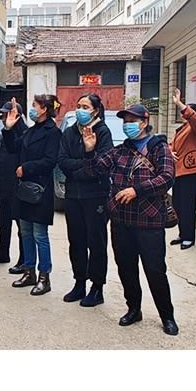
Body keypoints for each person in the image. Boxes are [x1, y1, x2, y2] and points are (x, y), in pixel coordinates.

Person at [109, 103, 179, 335]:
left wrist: (136, 190)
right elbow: (98, 167)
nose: (127, 125)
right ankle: (133, 309)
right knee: (126, 269)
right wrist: (89, 149)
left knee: (155, 270)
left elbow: (167, 178)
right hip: (122, 221)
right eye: (125, 121)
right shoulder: (121, 150)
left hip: (149, 223)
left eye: (132, 121)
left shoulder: (159, 148)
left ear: (144, 122)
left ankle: (167, 316)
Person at [58, 91, 114, 306]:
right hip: (73, 195)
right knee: (76, 241)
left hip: (96, 195)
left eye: (85, 107)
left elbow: (103, 166)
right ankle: (79, 282)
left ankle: (97, 287)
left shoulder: (103, 132)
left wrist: (86, 159)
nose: (80, 110)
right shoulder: (70, 132)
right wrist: (85, 165)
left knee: (96, 242)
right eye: (78, 106)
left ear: (96, 111)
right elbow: (63, 161)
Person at [9, 94, 61, 297]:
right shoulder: (31, 130)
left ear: (44, 109)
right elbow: (14, 147)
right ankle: (28, 271)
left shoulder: (53, 132)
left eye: (34, 105)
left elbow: (50, 161)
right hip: (24, 189)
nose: (32, 109)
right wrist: (9, 128)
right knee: (26, 232)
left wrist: (26, 168)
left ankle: (44, 277)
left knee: (40, 234)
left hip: (40, 189)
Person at [0, 101, 24, 266]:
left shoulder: (23, 134)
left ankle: (24, 260)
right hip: (4, 187)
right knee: (3, 221)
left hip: (18, 188)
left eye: (6, 114)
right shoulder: (4, 134)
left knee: (22, 227)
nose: (3, 118)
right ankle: (2, 253)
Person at [168, 88, 196, 250]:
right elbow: (171, 144)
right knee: (177, 204)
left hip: (190, 171)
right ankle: (182, 234)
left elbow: (193, 118)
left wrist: (179, 103)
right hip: (178, 171)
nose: (183, 114)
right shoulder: (182, 128)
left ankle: (189, 237)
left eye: (186, 111)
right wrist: (170, 151)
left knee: (187, 206)